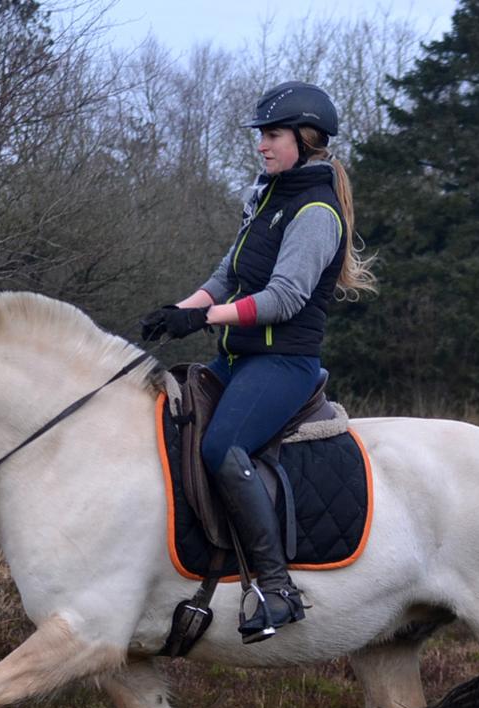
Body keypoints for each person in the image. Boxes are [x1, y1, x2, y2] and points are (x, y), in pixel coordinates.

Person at [142, 80, 376, 644]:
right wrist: (181, 308)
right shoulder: (266, 197)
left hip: (283, 365)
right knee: (164, 419)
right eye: (262, 136)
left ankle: (275, 588)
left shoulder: (316, 211)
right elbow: (227, 274)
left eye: (272, 135)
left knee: (224, 447)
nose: (261, 145)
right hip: (238, 358)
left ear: (306, 138)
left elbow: (285, 298)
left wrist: (206, 320)